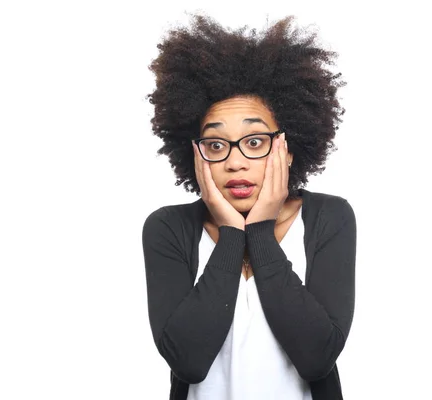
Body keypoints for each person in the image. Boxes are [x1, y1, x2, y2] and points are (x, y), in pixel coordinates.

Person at [142, 13, 357, 400]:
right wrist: (231, 235)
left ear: (287, 149)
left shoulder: (329, 218)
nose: (235, 162)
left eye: (255, 142)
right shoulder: (169, 227)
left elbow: (316, 358)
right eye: (216, 145)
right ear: (195, 153)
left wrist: (259, 231)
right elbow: (189, 360)